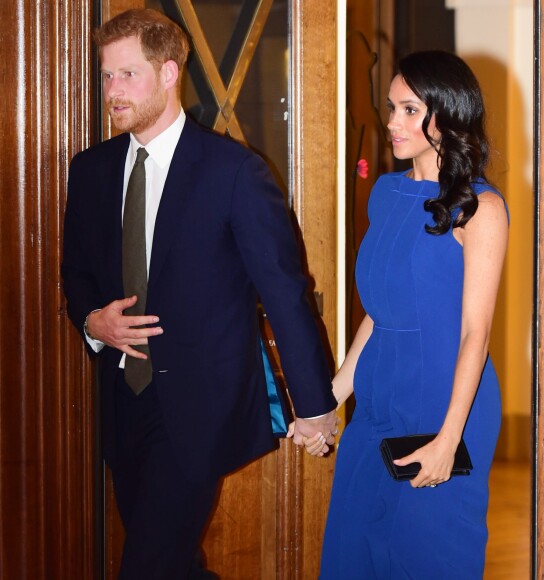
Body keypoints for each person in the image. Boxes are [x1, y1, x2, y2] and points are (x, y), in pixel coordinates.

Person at [61, 8, 338, 579]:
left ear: (168, 74)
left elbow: (285, 291)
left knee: (145, 568)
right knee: (173, 565)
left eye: (127, 75)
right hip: (122, 406)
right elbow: (76, 274)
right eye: (107, 76)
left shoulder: (234, 172)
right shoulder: (90, 170)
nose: (112, 92)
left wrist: (314, 405)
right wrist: (93, 322)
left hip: (199, 409)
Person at [300, 51, 509, 578]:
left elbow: (474, 334)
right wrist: (330, 399)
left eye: (409, 110)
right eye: (392, 107)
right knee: (355, 554)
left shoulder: (481, 208)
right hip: (378, 403)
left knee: (429, 557)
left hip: (443, 405)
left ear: (448, 115)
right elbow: (381, 312)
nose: (392, 122)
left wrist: (448, 439)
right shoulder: (386, 192)